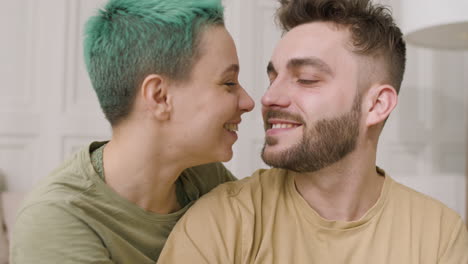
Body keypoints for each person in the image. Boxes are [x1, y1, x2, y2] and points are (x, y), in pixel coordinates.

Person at [157, 0, 468, 263]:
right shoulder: (222, 224)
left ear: (376, 105)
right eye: (273, 77)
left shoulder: (438, 234)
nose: (268, 98)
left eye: (305, 79)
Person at [10, 0, 254, 263]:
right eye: (228, 83)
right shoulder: (56, 219)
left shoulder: (204, 178)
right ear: (160, 97)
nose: (248, 101)